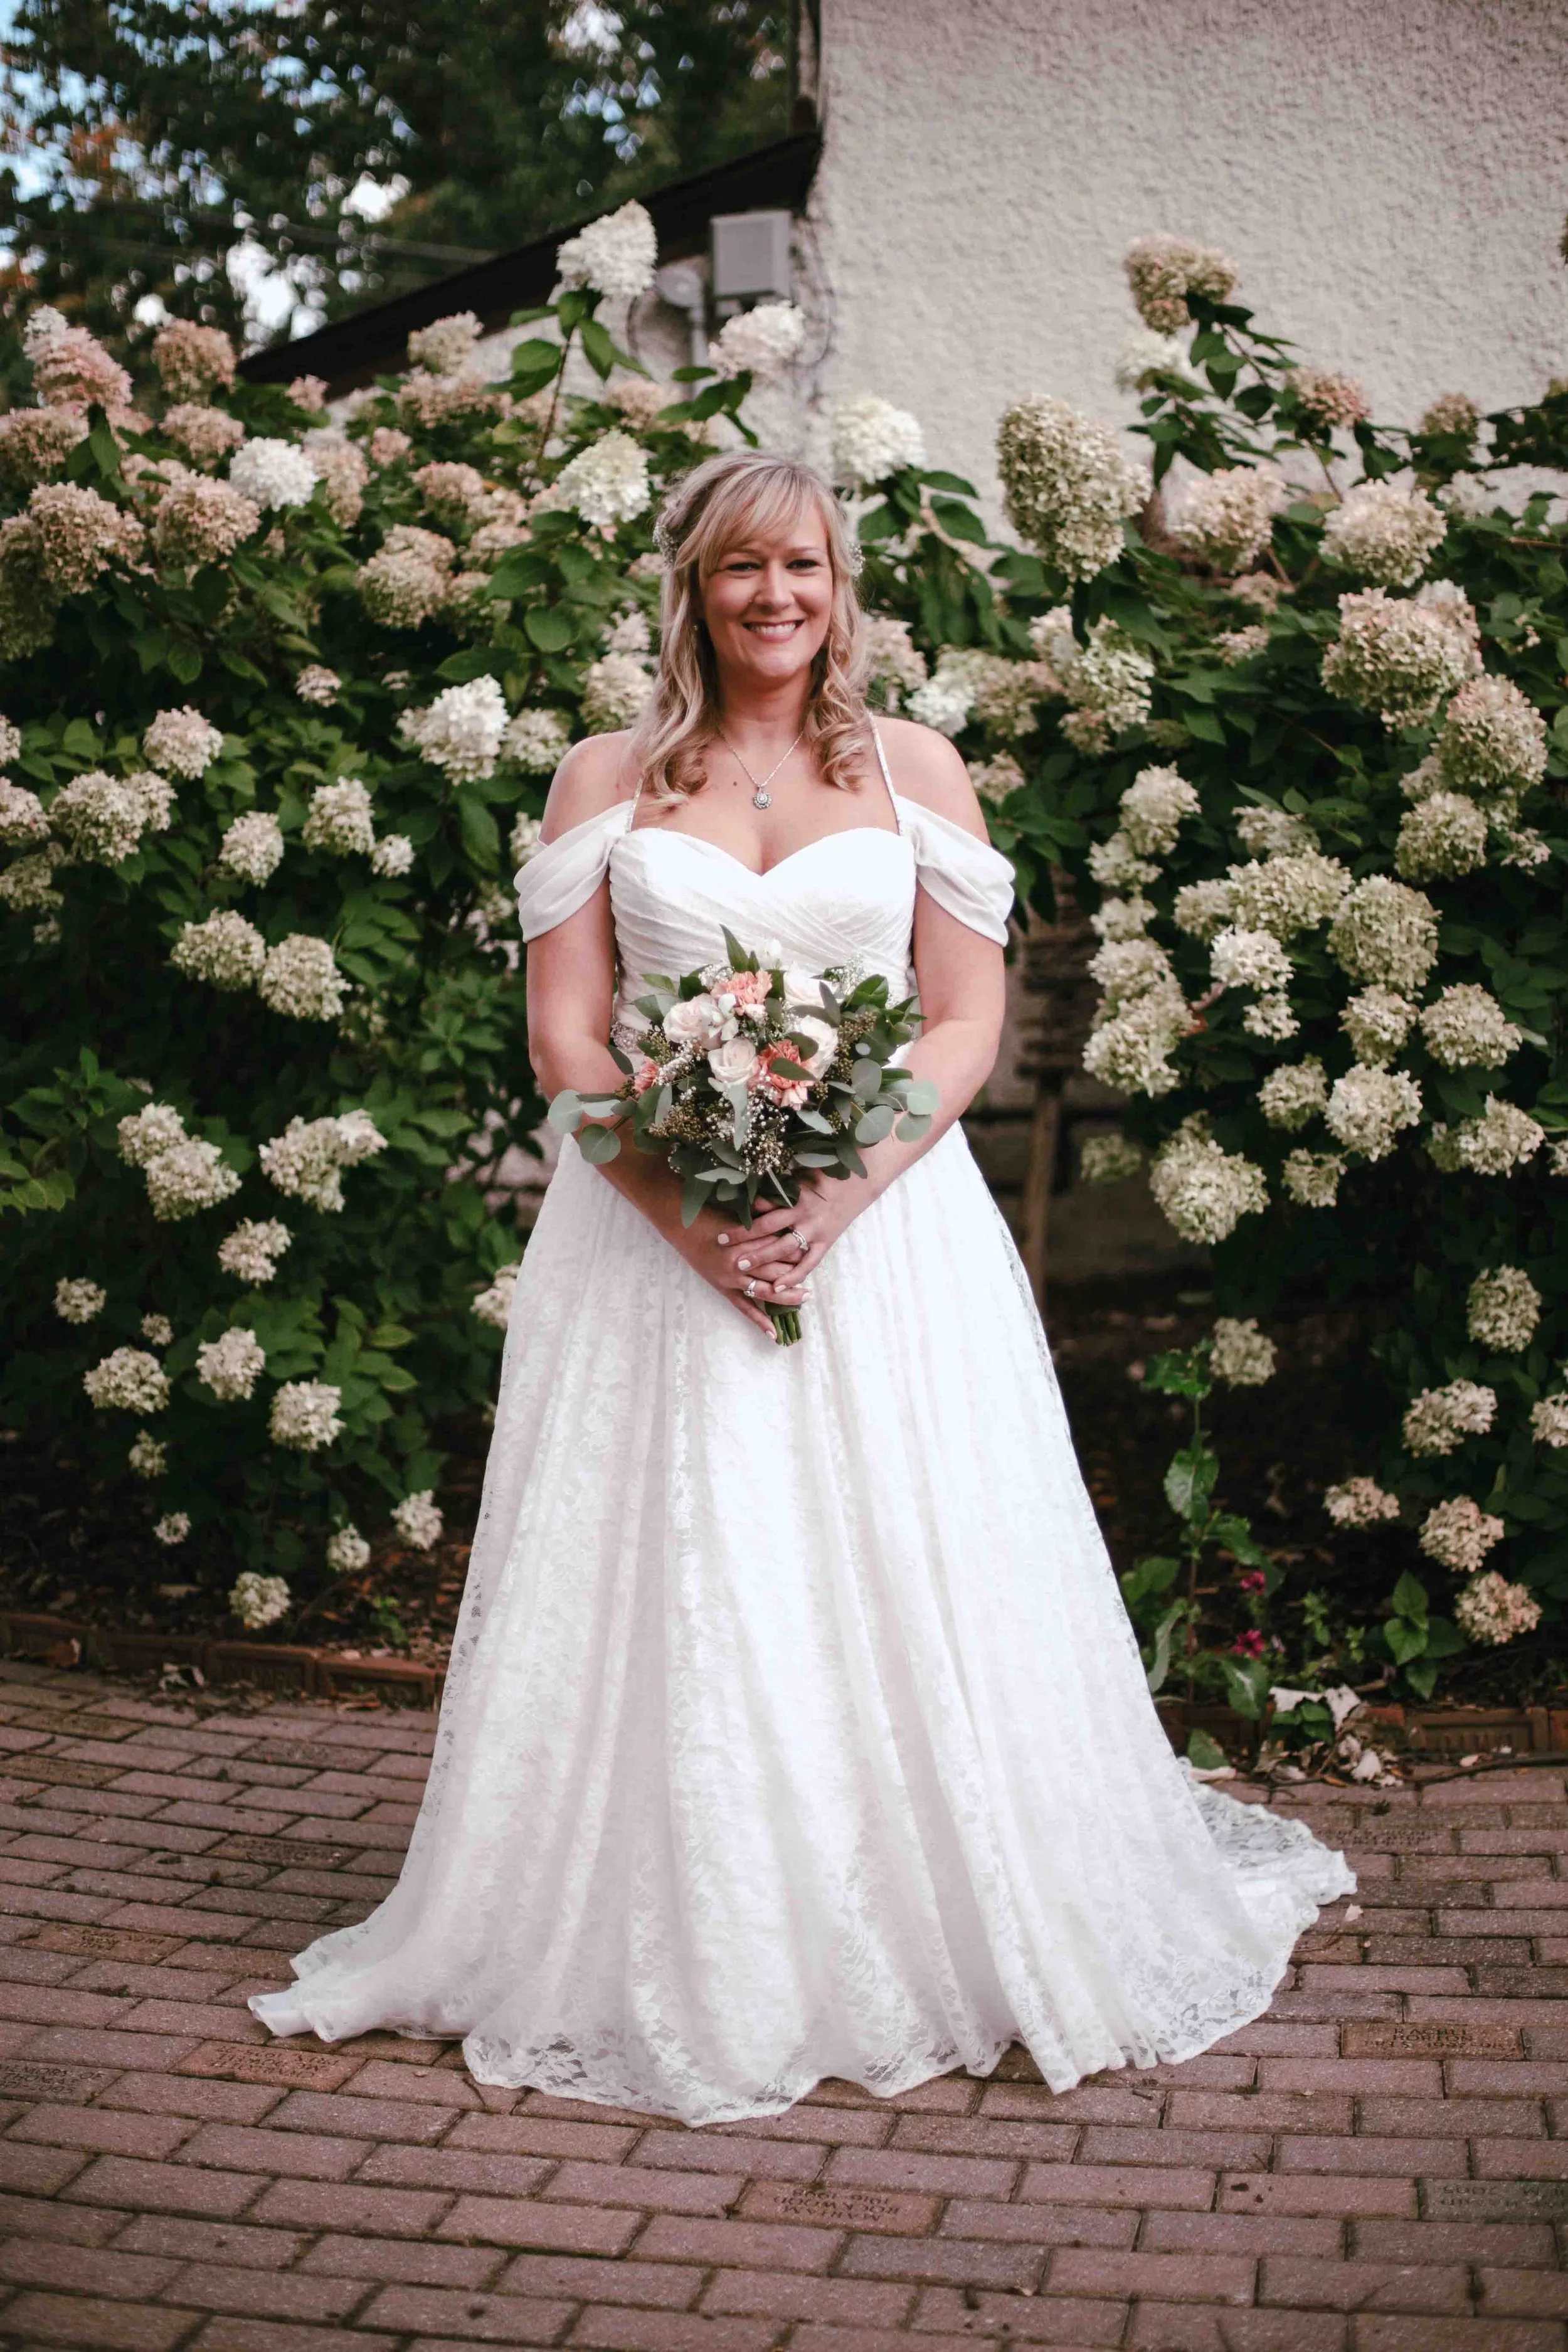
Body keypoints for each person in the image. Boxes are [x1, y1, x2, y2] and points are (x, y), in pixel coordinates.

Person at [249, 448, 1352, 2126]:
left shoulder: (911, 771)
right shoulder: (601, 778)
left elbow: (962, 1018)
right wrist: (690, 1214)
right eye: (740, 568)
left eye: (806, 570)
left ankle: (923, 1906)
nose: (775, 597)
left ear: (844, 594)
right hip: (647, 1235)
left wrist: (834, 1190)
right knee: (692, 1557)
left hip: (887, 1228)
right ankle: (696, 1927)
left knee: (899, 1543)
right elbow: (565, 1035)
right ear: (692, 587)